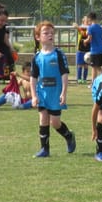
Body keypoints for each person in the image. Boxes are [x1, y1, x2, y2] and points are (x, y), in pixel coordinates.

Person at [30, 20, 76, 158]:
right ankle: (45, 149)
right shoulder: (36, 57)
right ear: (38, 37)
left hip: (55, 93)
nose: (50, 35)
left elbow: (64, 74)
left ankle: (68, 136)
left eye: (52, 33)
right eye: (46, 33)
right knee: (43, 119)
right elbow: (33, 78)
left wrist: (63, 93)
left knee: (55, 122)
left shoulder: (58, 54)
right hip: (42, 93)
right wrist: (33, 95)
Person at [86, 11, 102, 83]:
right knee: (97, 67)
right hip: (101, 50)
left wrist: (85, 41)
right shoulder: (100, 27)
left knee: (95, 68)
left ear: (90, 18)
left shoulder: (90, 27)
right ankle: (95, 82)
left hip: (95, 50)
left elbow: (89, 38)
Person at [73, 16, 90, 84]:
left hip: (87, 49)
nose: (88, 22)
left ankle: (84, 79)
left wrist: (78, 28)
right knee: (80, 65)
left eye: (89, 21)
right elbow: (74, 24)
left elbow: (85, 34)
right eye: (86, 21)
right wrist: (77, 26)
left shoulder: (89, 29)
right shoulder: (82, 27)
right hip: (80, 49)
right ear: (83, 22)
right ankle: (79, 79)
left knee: (86, 65)